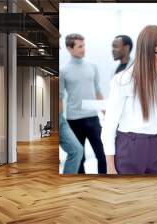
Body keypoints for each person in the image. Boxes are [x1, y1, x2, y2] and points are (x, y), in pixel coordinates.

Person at [102, 25, 157, 175]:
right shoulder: (123, 81)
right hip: (129, 146)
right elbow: (108, 128)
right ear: (147, 52)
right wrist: (110, 167)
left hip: (155, 144)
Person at [60, 33, 107, 174]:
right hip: (73, 120)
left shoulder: (93, 66)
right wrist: (61, 121)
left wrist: (105, 112)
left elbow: (98, 90)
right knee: (79, 157)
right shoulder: (63, 71)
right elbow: (60, 97)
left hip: (92, 117)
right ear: (69, 48)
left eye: (84, 45)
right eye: (80, 46)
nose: (83, 49)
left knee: (103, 155)